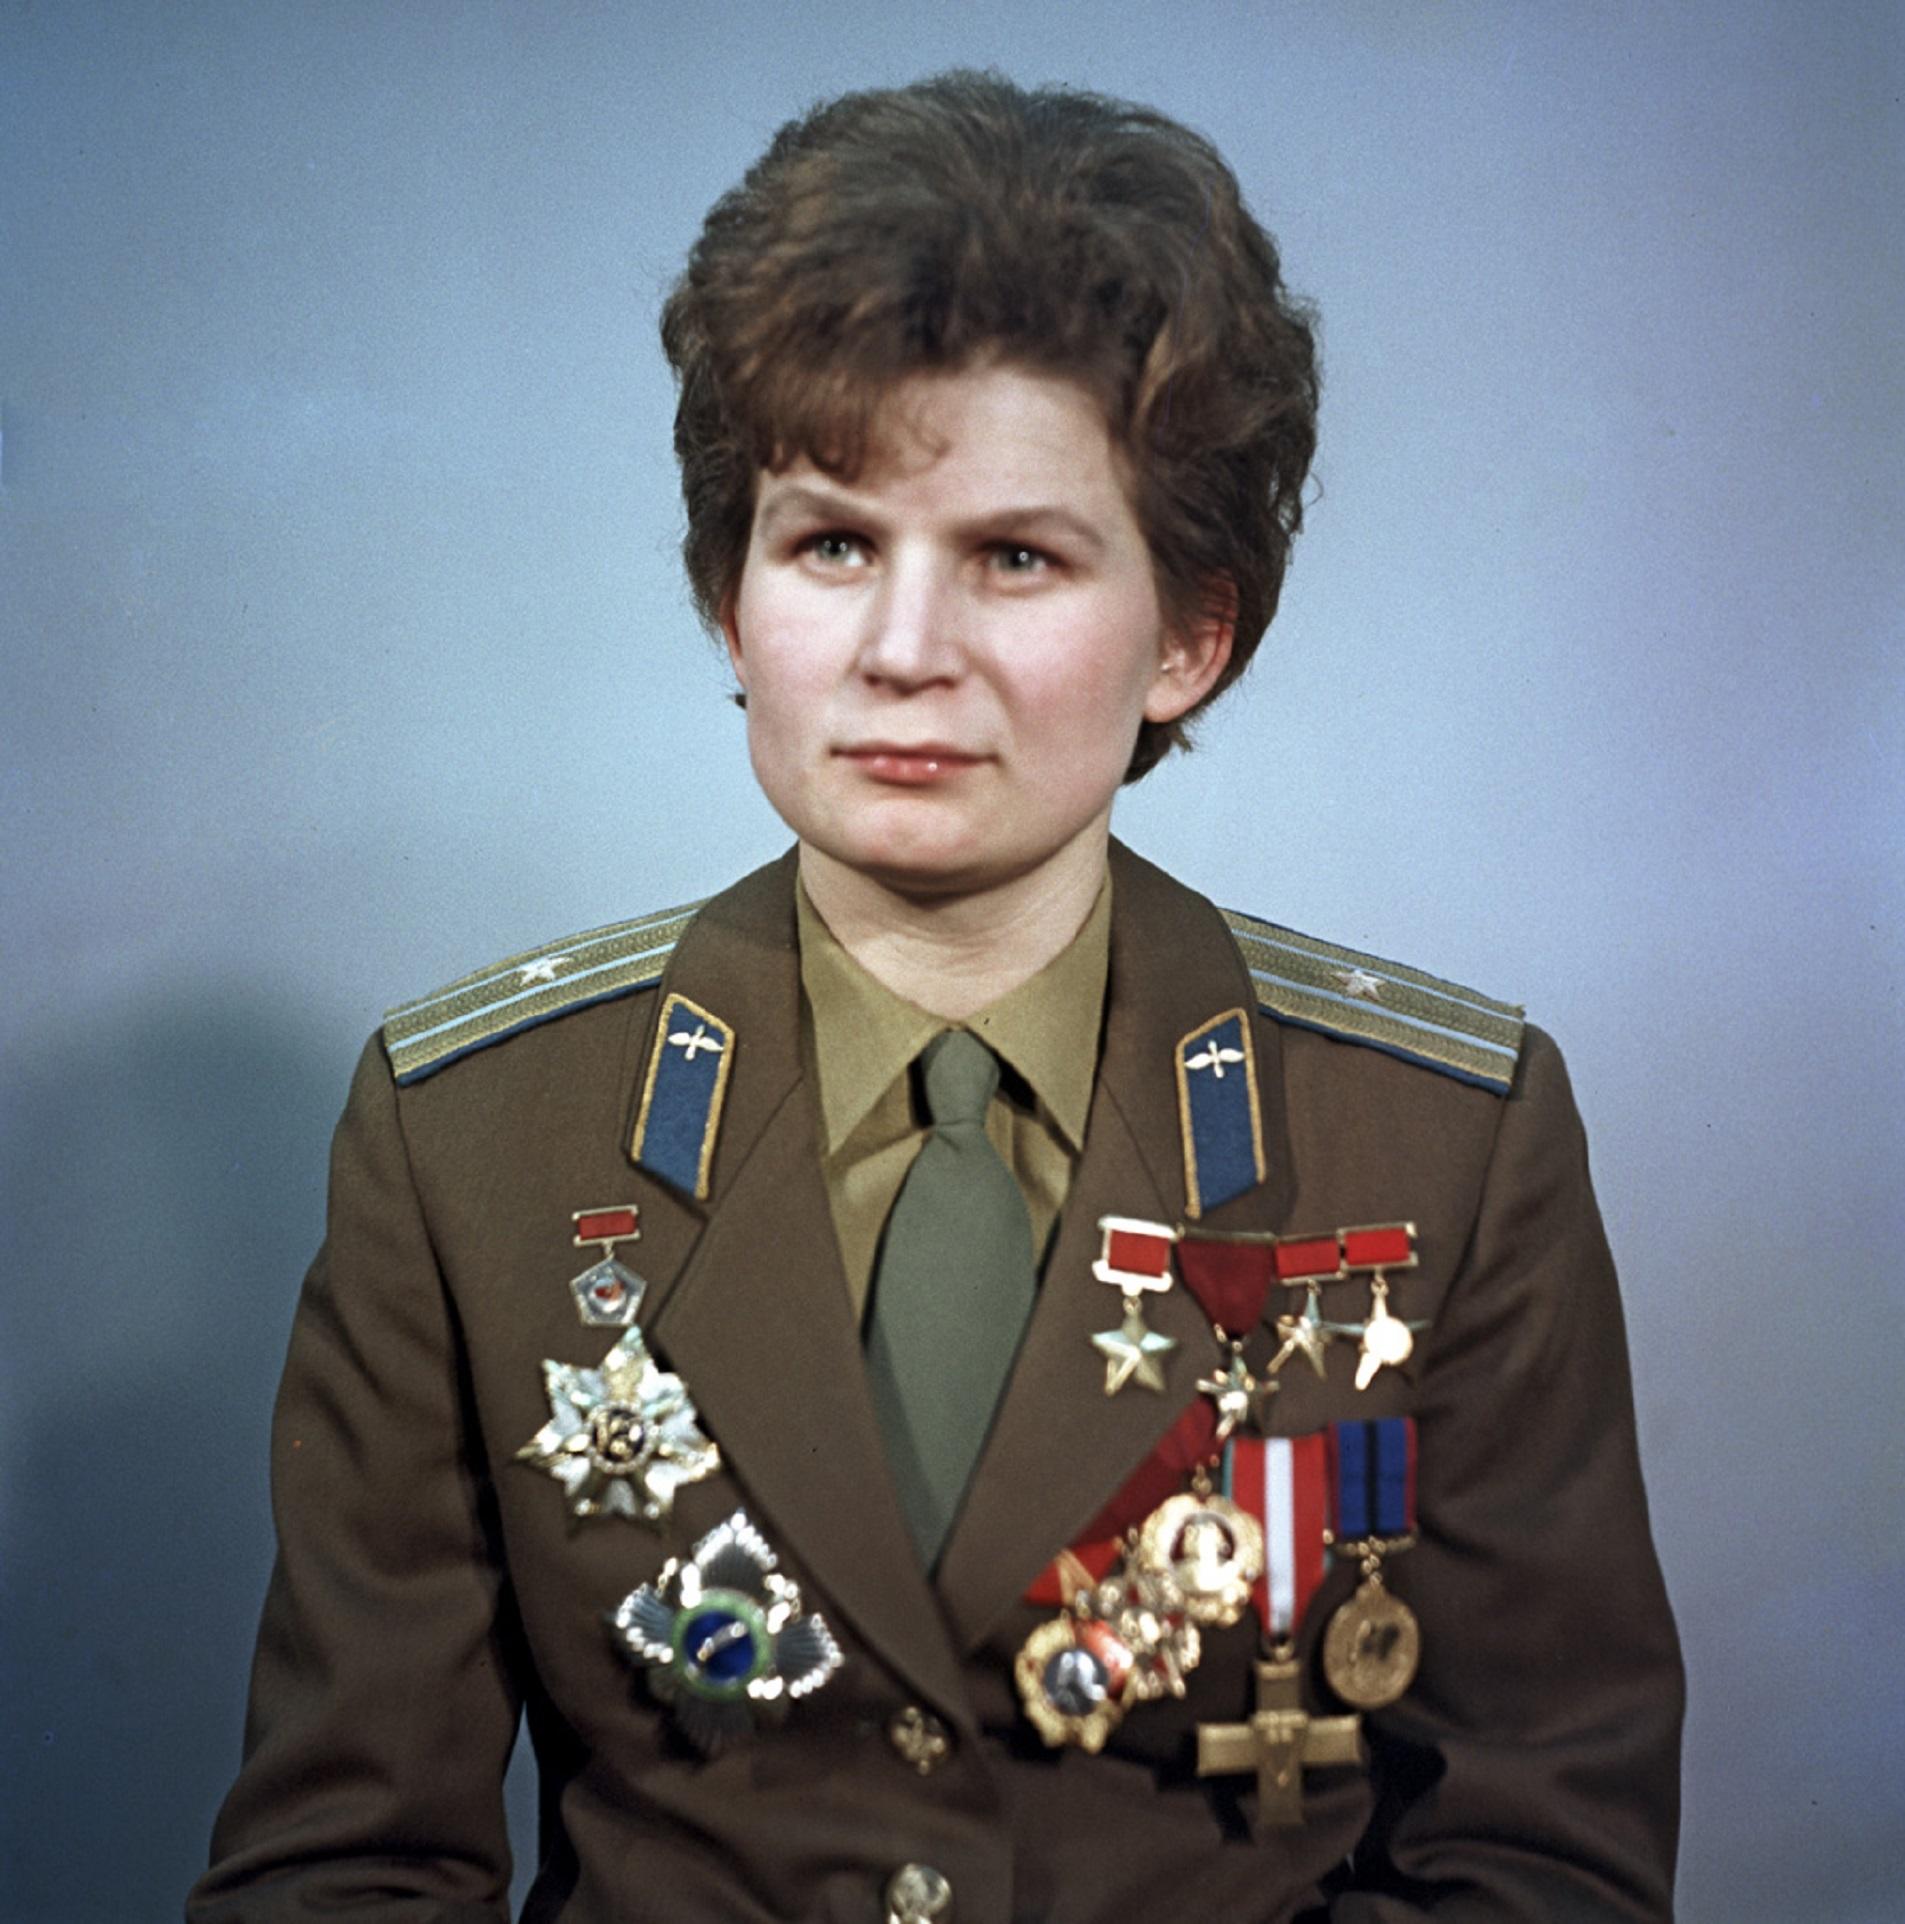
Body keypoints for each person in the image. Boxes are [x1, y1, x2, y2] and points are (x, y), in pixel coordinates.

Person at [190, 70, 1682, 1924]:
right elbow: (345, 1872)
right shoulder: (472, 1138)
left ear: (1188, 633)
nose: (904, 652)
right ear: (730, 608)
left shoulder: (1443, 1142)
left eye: (1015, 557)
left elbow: (1539, 1867)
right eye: (830, 543)